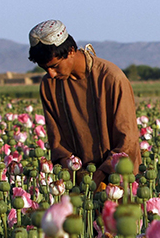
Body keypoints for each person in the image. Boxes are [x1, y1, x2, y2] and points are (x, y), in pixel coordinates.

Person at [28, 20, 141, 187]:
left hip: (118, 180)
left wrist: (101, 175)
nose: (51, 74)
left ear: (71, 51)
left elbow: (127, 140)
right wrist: (77, 173)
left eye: (55, 66)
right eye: (45, 69)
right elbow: (56, 140)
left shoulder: (111, 78)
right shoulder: (49, 85)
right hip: (79, 181)